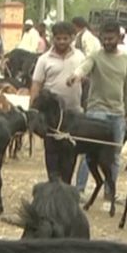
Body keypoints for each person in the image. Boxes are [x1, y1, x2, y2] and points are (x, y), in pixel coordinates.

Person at [68, 21, 127, 199]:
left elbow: (126, 89)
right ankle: (79, 190)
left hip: (117, 115)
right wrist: (75, 76)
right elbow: (84, 68)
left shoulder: (125, 59)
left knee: (115, 156)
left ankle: (109, 192)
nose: (107, 42)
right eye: (104, 38)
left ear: (119, 38)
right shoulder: (96, 56)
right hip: (97, 112)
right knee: (89, 154)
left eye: (111, 38)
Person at [31, 22, 86, 181]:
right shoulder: (43, 59)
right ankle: (53, 188)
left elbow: (86, 80)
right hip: (52, 118)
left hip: (73, 114)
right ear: (52, 38)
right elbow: (36, 84)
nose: (61, 42)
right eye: (58, 38)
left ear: (72, 38)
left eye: (65, 38)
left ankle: (66, 192)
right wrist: (33, 111)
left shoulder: (80, 57)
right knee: (52, 156)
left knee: (70, 156)